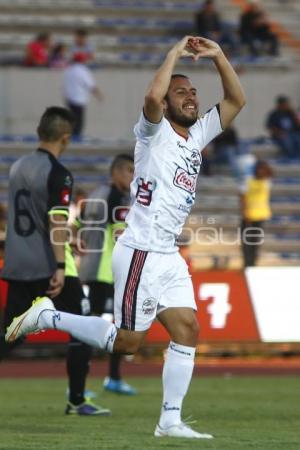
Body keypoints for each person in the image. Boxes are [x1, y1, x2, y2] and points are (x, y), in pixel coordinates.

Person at [6, 36, 246, 438]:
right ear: (167, 103)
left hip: (168, 254)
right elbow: (152, 96)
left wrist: (219, 55)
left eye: (193, 92)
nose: (190, 97)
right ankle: (47, 316)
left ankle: (169, 420)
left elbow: (236, 101)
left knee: (187, 328)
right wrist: (172, 53)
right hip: (141, 253)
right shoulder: (152, 132)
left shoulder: (198, 134)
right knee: (128, 344)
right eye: (180, 92)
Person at [1, 107, 110, 416]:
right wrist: (61, 266)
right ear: (66, 137)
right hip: (49, 265)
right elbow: (56, 222)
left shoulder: (17, 167)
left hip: (18, 263)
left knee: (11, 334)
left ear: (38, 132)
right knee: (83, 325)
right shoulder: (59, 173)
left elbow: (29, 215)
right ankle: (77, 400)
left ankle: (77, 399)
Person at [79, 154, 136, 395]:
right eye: (129, 171)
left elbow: (79, 228)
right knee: (116, 324)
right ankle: (92, 382)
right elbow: (119, 234)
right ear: (117, 172)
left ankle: (103, 378)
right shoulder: (118, 197)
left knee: (94, 323)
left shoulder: (95, 194)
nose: (132, 177)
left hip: (91, 266)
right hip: (109, 269)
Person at [240, 160, 273, 267]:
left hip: (261, 215)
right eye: (260, 169)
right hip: (249, 216)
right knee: (246, 241)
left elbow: (272, 173)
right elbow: (243, 196)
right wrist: (245, 212)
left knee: (256, 241)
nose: (261, 171)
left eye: (263, 169)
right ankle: (247, 263)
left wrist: (266, 168)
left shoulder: (267, 182)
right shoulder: (248, 180)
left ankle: (253, 263)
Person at [63, 53, 103, 138]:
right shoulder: (83, 71)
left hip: (69, 99)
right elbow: (91, 85)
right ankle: (76, 137)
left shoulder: (69, 70)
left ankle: (70, 136)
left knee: (71, 120)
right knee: (79, 122)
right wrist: (99, 95)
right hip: (79, 99)